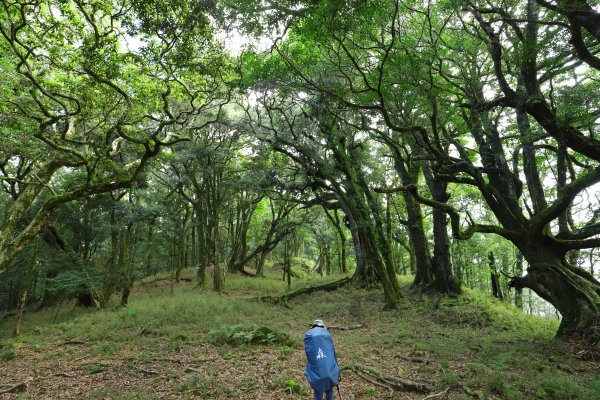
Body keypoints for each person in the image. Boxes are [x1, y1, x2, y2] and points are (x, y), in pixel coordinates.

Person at [304, 319, 340, 400]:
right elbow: (332, 353)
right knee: (329, 390)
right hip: (329, 370)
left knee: (318, 393)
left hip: (316, 371)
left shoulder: (309, 334)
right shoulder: (327, 334)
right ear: (322, 325)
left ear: (313, 325)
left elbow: (309, 355)